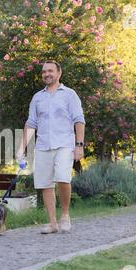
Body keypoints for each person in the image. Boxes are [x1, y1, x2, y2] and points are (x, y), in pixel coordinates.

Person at [16, 61, 86, 234]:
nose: (46, 74)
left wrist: (79, 145)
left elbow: (79, 120)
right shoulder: (37, 97)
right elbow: (31, 123)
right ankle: (52, 222)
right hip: (42, 145)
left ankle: (65, 215)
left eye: (50, 71)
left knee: (63, 178)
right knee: (45, 184)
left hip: (64, 144)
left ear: (59, 73)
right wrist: (21, 147)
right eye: (44, 72)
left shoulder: (70, 95)